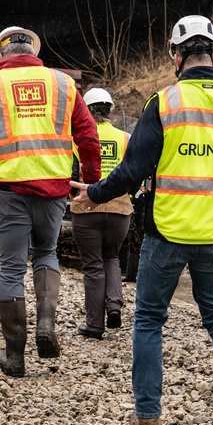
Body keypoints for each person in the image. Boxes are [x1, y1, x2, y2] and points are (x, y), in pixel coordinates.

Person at [71, 15, 213, 425]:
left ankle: (148, 417)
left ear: (175, 56)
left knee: (149, 320)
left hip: (168, 231)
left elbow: (134, 169)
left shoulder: (165, 102)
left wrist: (95, 193)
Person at [0, 26, 101, 377]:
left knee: (11, 267)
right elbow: (88, 135)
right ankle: (46, 325)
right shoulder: (63, 84)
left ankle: (14, 354)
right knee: (47, 253)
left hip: (10, 192)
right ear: (34, 53)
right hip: (53, 189)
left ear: (0, 55)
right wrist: (92, 181)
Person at [71, 87, 132, 340]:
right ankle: (114, 305)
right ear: (110, 110)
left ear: (86, 110)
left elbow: (70, 174)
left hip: (86, 208)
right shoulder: (126, 138)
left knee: (93, 265)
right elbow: (134, 172)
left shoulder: (77, 139)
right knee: (112, 257)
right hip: (119, 209)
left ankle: (94, 325)